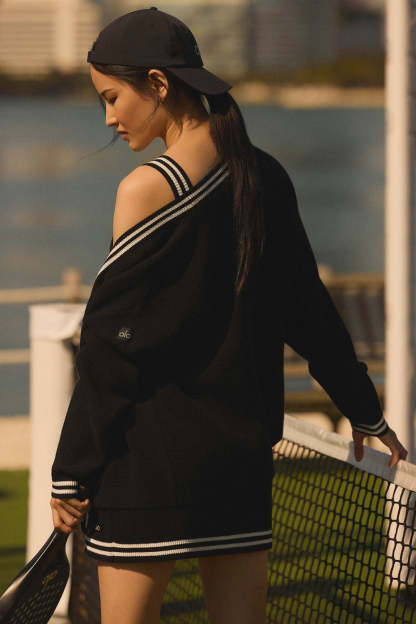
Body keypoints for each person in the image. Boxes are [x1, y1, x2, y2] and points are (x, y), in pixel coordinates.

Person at [49, 7, 408, 624]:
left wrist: (71, 473)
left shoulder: (143, 189)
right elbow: (309, 312)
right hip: (237, 467)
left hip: (145, 468)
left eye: (112, 98)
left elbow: (111, 350)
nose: (108, 118)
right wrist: (365, 409)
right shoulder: (264, 176)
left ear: (158, 84)